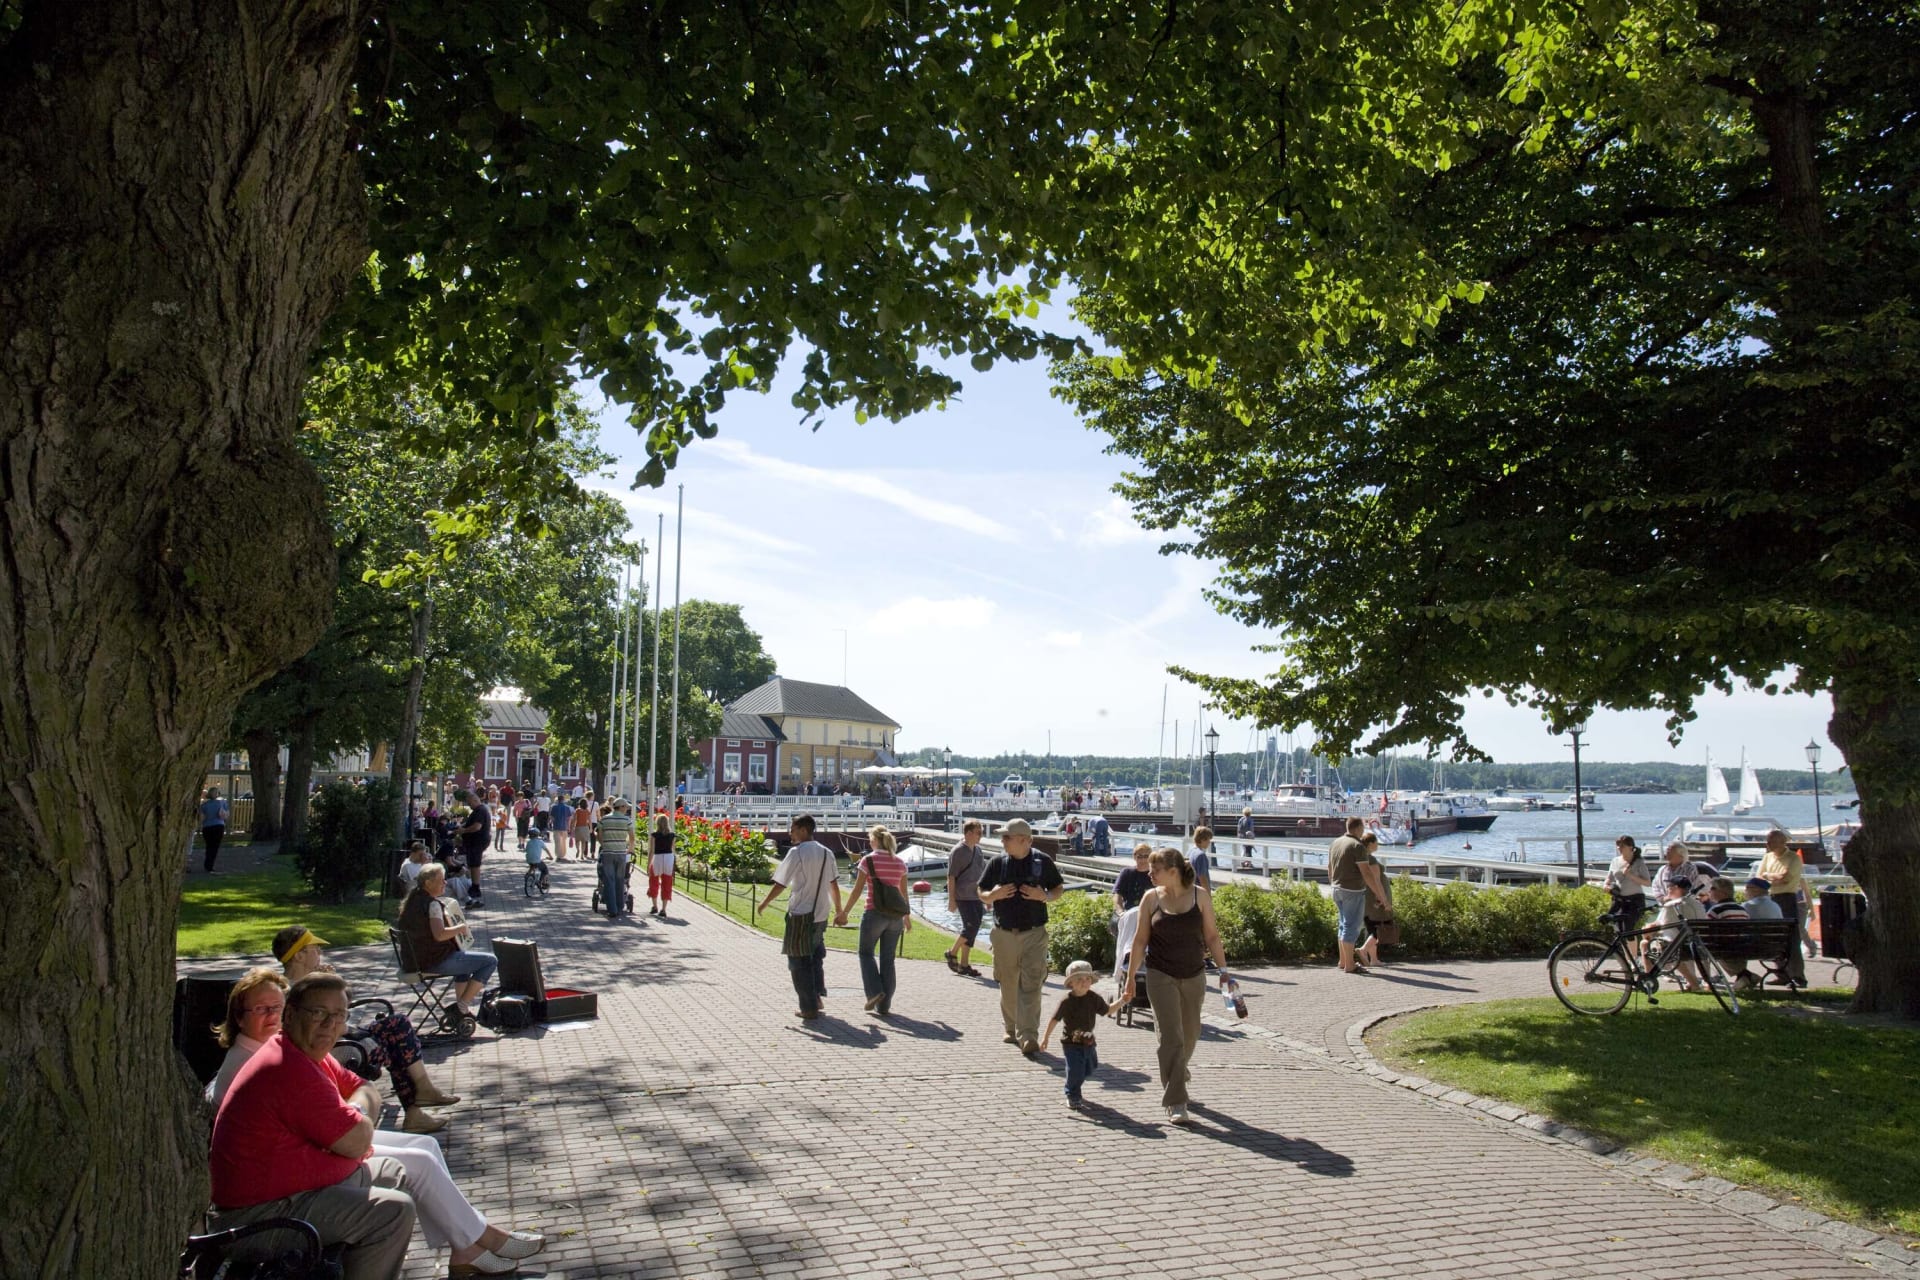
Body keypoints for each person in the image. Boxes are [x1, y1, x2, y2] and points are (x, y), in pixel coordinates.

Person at [209, 972, 543, 1278]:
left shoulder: (306, 1051)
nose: (330, 1024)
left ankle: (468, 1245)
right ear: (292, 1015)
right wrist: (356, 1120)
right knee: (393, 1211)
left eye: (339, 1015)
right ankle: (474, 1241)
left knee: (408, 1163)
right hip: (258, 1216)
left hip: (296, 1188)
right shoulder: (287, 1067)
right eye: (318, 1013)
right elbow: (355, 1139)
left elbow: (365, 1089)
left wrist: (353, 1115)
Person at [272, 926, 460, 1134]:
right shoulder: (296, 992)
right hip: (333, 1047)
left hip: (343, 1036)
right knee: (395, 1043)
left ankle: (422, 1095)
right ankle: (417, 1105)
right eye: (314, 949)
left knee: (398, 1024)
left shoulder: (309, 983)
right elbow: (333, 1025)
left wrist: (333, 985)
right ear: (299, 955)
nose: (320, 953)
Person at [1118, 847, 1229, 1124]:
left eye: (1156, 870)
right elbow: (1140, 941)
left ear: (1173, 871)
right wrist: (1130, 977)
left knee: (1190, 1034)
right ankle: (1176, 1102)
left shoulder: (1199, 896)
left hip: (1193, 974)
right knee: (1171, 1037)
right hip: (1160, 974)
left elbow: (1212, 937)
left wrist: (1225, 972)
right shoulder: (1151, 898)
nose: (1151, 874)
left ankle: (1178, 1069)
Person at [977, 818, 1065, 1056]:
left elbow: (1058, 889)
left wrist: (1044, 896)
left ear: (1025, 840)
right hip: (1004, 933)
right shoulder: (998, 862)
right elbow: (981, 891)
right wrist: (992, 895)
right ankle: (1010, 1027)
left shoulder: (1042, 862)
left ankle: (1028, 1035)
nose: (1002, 841)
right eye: (1002, 837)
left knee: (1032, 983)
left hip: (1034, 933)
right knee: (1007, 982)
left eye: (1007, 837)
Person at [759, 815, 843, 1019]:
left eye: (793, 829)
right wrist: (839, 910)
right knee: (814, 956)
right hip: (821, 912)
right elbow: (833, 884)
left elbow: (781, 883)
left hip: (800, 913)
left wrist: (765, 902)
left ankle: (808, 1007)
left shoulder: (796, 853)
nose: (790, 833)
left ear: (804, 830)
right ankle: (816, 997)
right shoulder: (827, 853)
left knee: (798, 961)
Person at [398, 864, 499, 1018]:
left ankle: (461, 1013)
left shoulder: (412, 901)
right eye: (441, 881)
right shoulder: (432, 904)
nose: (445, 883)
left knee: (463, 959)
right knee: (490, 961)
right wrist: (460, 928)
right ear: (428, 883)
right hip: (431, 961)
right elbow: (440, 935)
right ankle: (462, 1004)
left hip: (412, 960)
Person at [837, 826, 911, 1016]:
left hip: (874, 913)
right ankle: (884, 1006)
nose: (869, 843)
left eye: (870, 839)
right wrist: (907, 917)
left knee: (865, 953)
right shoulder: (900, 862)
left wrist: (844, 912)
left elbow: (857, 890)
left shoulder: (868, 860)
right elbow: (904, 894)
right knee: (888, 960)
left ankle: (874, 992)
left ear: (876, 841)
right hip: (895, 917)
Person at [1038, 960, 1111, 1109]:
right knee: (1075, 1070)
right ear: (1071, 983)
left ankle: (1075, 1084)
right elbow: (1054, 1019)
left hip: (1088, 1041)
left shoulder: (1093, 998)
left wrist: (1123, 1000)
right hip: (1071, 1043)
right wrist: (1045, 1038)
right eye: (1079, 979)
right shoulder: (1067, 1001)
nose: (1084, 982)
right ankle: (1072, 1094)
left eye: (1087, 979)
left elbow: (1107, 1010)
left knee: (1090, 1067)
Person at [1328, 817, 1391, 973]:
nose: (1363, 831)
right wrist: (1381, 896)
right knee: (1351, 926)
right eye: (1362, 828)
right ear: (1358, 828)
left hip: (1337, 888)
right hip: (1353, 890)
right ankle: (1350, 965)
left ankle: (1343, 961)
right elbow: (1367, 874)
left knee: (1343, 925)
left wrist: (1333, 883)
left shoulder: (1336, 843)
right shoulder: (1357, 846)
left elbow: (1329, 868)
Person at [1755, 829, 1808, 987]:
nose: (1768, 844)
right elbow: (1759, 879)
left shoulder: (1793, 858)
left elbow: (1785, 878)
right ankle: (1782, 973)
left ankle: (1798, 976)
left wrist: (1767, 875)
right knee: (1774, 937)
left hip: (1786, 898)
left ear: (1782, 842)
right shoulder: (1767, 857)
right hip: (1770, 898)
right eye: (1768, 841)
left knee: (1791, 938)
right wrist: (1772, 877)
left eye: (1771, 841)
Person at [1649, 876, 1709, 991]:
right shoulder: (1698, 905)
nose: (1667, 890)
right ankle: (1700, 982)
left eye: (1669, 887)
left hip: (1680, 947)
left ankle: (1649, 982)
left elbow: (1659, 926)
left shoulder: (1672, 905)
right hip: (1701, 945)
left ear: (1676, 888)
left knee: (1647, 943)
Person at [944, 819, 987, 977]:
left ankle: (964, 964)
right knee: (970, 926)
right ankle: (952, 952)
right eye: (978, 833)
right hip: (963, 896)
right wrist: (951, 899)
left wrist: (987, 896)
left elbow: (982, 874)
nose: (980, 836)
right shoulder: (958, 851)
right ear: (968, 833)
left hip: (976, 895)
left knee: (973, 929)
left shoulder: (978, 851)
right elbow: (951, 876)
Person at [1728, 877, 1784, 990]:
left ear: (1756, 890)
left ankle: (1744, 975)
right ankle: (1745, 976)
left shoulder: (1748, 906)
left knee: (1726, 947)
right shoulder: (1775, 905)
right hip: (1776, 948)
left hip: (1754, 948)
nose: (1745, 891)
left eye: (1747, 888)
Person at [596, 796, 637, 920]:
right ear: (622, 807)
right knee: (620, 879)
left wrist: (604, 844)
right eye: (626, 807)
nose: (627, 810)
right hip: (620, 853)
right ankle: (619, 907)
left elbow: (599, 834)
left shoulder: (604, 819)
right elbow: (632, 837)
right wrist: (630, 849)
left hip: (608, 852)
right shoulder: (626, 820)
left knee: (609, 880)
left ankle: (612, 909)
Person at [454, 788, 490, 906]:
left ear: (475, 800)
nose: (469, 806)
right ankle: (474, 885)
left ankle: (475, 887)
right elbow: (471, 823)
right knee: (473, 864)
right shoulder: (478, 810)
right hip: (474, 841)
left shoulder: (480, 811)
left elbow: (476, 827)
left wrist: (464, 830)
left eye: (470, 803)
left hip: (477, 841)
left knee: (475, 864)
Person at [1650, 841, 1716, 902]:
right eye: (1667, 851)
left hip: (1683, 906)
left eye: (1670, 851)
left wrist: (1676, 900)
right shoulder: (1662, 869)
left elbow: (1692, 888)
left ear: (1680, 854)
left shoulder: (1690, 869)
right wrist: (1662, 898)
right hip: (1666, 905)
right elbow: (1655, 885)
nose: (1666, 853)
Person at [647, 813, 676, 918]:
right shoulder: (672, 835)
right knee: (667, 883)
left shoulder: (654, 835)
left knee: (653, 881)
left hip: (657, 858)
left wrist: (648, 864)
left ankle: (654, 906)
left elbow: (651, 851)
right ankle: (664, 908)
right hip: (668, 858)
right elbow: (673, 849)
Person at [199, 785, 231, 873]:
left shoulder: (204, 805)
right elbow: (225, 815)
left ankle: (207, 863)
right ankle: (210, 865)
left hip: (207, 827)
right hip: (218, 825)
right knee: (215, 846)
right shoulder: (222, 802)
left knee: (209, 846)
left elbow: (202, 818)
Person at [523, 825, 551, 891]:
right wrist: (550, 856)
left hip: (529, 860)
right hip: (537, 860)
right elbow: (546, 850)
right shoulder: (540, 842)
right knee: (545, 870)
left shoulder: (528, 842)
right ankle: (542, 882)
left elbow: (526, 850)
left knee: (532, 866)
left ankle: (528, 874)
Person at [1188, 825, 1214, 892]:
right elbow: (1203, 879)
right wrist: (1208, 897)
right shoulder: (1201, 855)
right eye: (1208, 839)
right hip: (1199, 893)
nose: (1209, 842)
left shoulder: (1190, 851)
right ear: (1202, 840)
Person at [549, 793, 573, 860]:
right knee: (563, 841)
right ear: (563, 800)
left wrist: (551, 823)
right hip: (564, 826)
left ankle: (558, 855)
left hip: (556, 826)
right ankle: (563, 854)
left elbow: (552, 817)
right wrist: (568, 827)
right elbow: (569, 818)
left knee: (557, 841)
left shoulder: (554, 807)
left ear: (558, 800)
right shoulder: (567, 808)